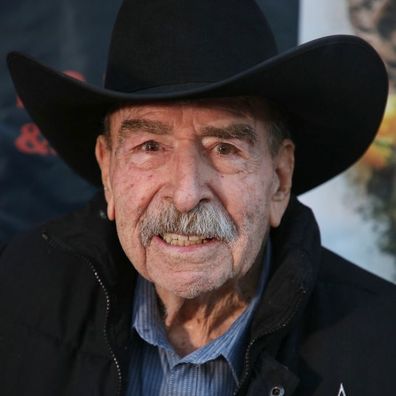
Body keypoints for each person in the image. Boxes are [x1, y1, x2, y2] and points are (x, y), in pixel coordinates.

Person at [1, 0, 395, 395]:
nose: (187, 195)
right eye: (151, 146)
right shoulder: (18, 292)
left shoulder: (381, 347)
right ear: (108, 171)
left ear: (279, 178)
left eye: (224, 148)